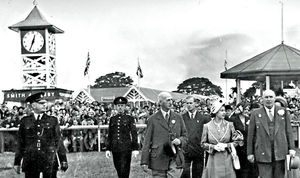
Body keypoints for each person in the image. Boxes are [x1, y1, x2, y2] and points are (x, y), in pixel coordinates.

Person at [13, 92, 68, 178]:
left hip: (49, 159)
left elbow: (58, 141)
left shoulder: (53, 120)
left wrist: (63, 160)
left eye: (45, 103)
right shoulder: (25, 121)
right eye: (41, 103)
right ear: (33, 105)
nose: (44, 105)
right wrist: (17, 162)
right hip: (31, 160)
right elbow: (21, 143)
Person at [247, 89, 296, 178]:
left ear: (274, 99)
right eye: (266, 97)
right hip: (262, 153)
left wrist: (291, 148)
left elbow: (289, 131)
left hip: (280, 152)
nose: (268, 99)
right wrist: (250, 153)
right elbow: (251, 135)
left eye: (271, 97)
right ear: (262, 99)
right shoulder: (255, 113)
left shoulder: (283, 111)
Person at [141, 92, 188, 178]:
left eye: (171, 100)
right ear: (160, 102)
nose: (171, 102)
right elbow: (147, 141)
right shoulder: (152, 119)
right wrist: (144, 161)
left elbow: (185, 136)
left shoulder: (178, 117)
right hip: (158, 158)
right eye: (167, 100)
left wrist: (180, 140)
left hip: (175, 156)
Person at [201, 99, 243, 178]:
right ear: (216, 111)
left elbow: (236, 141)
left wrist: (227, 145)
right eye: (221, 110)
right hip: (213, 160)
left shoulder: (229, 125)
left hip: (227, 158)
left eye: (225, 110)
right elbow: (202, 144)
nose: (224, 112)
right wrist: (213, 147)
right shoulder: (207, 126)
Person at [105, 96, 139, 178]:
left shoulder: (130, 118)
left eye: (122, 105)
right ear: (116, 107)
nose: (120, 107)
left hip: (126, 148)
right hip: (115, 148)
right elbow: (110, 134)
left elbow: (134, 133)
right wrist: (108, 148)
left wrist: (135, 148)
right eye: (118, 106)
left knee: (125, 170)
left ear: (125, 106)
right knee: (118, 169)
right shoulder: (112, 119)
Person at [181, 96, 210, 178]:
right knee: (184, 173)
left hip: (198, 150)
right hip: (185, 150)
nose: (189, 105)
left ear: (195, 104)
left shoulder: (203, 118)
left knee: (197, 173)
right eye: (187, 103)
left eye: (191, 103)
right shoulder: (182, 117)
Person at [229, 102, 258, 178]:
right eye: (245, 109)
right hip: (238, 148)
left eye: (248, 109)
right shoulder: (233, 119)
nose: (247, 111)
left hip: (248, 147)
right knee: (240, 170)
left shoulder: (250, 119)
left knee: (250, 170)